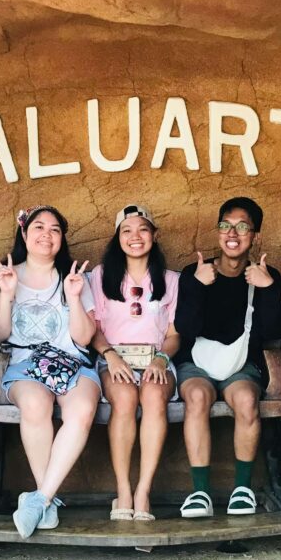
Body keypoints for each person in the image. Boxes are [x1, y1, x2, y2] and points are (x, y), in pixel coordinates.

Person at [0, 206, 99, 539]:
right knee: (35, 406)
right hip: (25, 364)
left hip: (73, 362)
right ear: (24, 234)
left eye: (54, 229)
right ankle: (45, 497)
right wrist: (7, 294)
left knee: (81, 410)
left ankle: (40, 499)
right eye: (38, 227)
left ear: (62, 239)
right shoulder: (8, 274)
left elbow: (83, 338)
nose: (46, 235)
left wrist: (75, 297)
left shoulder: (75, 276)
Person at [174, 196, 281, 518]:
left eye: (242, 227)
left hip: (241, 366)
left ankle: (242, 488)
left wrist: (267, 289)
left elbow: (269, 334)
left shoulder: (267, 275)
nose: (232, 233)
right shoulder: (195, 272)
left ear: (256, 236)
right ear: (217, 231)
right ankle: (200, 493)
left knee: (248, 401)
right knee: (196, 397)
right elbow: (186, 327)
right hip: (196, 361)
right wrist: (197, 286)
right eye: (226, 225)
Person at [90, 205, 180, 521]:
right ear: (117, 238)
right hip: (115, 359)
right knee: (126, 397)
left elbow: (174, 334)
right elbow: (94, 331)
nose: (135, 237)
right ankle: (123, 491)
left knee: (154, 396)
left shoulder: (171, 280)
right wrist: (110, 356)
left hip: (156, 358)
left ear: (154, 236)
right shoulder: (101, 277)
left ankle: (143, 491)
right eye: (126, 231)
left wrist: (161, 358)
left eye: (142, 229)